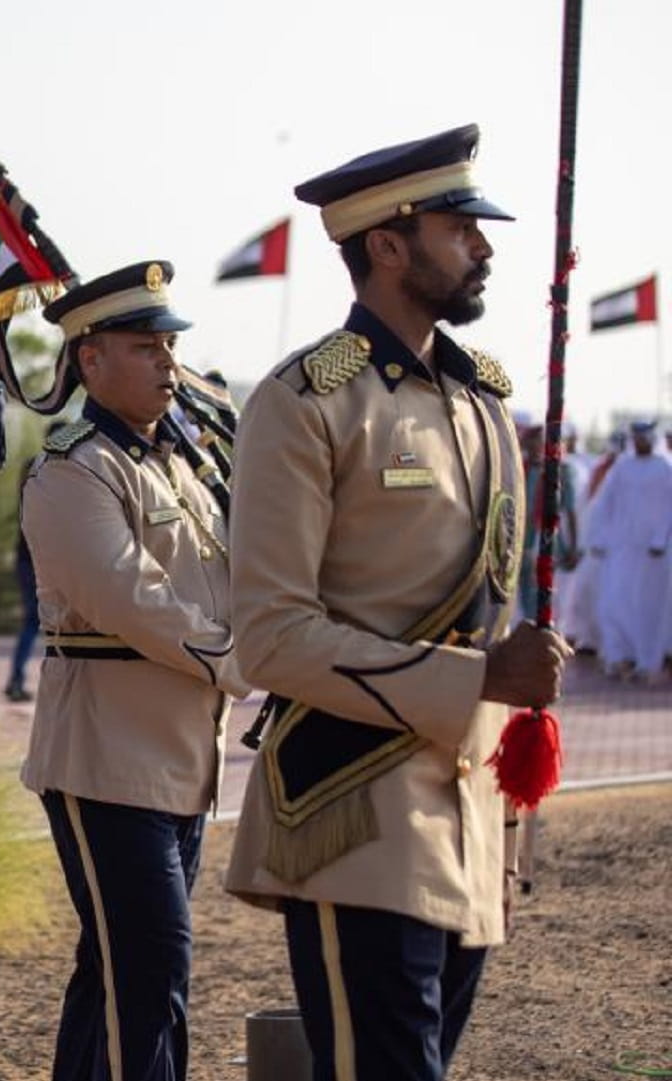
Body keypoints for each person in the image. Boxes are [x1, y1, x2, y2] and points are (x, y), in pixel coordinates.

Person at [224, 124, 569, 1081]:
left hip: (468, 811)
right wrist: (476, 676)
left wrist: (523, 667)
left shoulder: (480, 403)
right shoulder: (306, 402)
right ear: (386, 242)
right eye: (462, 226)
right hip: (355, 806)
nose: (485, 246)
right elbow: (273, 638)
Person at [19, 261, 250, 1081]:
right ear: (90, 361)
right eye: (146, 347)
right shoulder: (72, 470)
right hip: (106, 760)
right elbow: (132, 597)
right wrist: (243, 661)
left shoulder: (182, 464)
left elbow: (229, 576)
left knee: (116, 971)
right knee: (151, 973)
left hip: (182, 761)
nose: (167, 363)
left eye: (170, 347)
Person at [587, 419, 672, 682]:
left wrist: (660, 539)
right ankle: (617, 657)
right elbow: (604, 504)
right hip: (620, 548)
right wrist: (599, 538)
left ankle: (646, 662)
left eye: (643, 437)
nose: (639, 442)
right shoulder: (622, 467)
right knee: (613, 603)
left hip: (653, 553)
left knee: (648, 610)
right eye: (636, 437)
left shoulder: (665, 468)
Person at [517, 422, 578, 622]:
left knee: (546, 589)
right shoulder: (519, 468)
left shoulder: (561, 471)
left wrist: (573, 547)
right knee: (525, 591)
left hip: (548, 539)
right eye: (531, 442)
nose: (534, 446)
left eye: (538, 441)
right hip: (522, 540)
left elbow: (570, 511)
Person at [3, 468, 39, 703]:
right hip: (39, 558)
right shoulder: (52, 469)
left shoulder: (33, 467)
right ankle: (16, 681)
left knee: (32, 621)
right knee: (36, 620)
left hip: (27, 558)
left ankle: (16, 680)